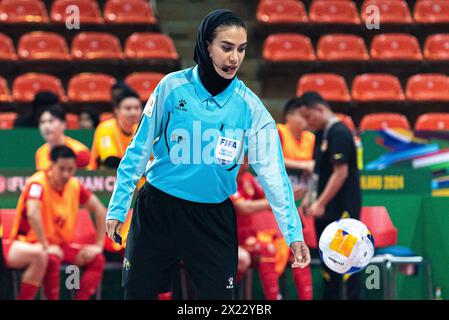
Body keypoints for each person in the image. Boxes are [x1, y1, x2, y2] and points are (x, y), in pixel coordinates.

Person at [105, 9, 310, 300]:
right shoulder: (172, 88)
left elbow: (275, 177)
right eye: (226, 48)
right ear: (206, 46)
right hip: (158, 210)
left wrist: (294, 234)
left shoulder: (250, 108)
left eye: (241, 50)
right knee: (138, 294)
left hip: (212, 218)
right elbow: (137, 151)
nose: (234, 58)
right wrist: (117, 207)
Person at [9, 146, 107, 300]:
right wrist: (46, 246)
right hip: (33, 244)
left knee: (97, 259)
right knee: (52, 260)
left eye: (71, 169)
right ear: (51, 165)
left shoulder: (75, 185)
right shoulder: (37, 183)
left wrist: (98, 245)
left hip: (62, 246)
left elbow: (100, 210)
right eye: (61, 169)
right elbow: (33, 213)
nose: (66, 174)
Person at [298, 92, 361, 300]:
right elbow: (317, 172)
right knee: (329, 267)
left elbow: (340, 172)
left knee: (347, 264)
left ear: (320, 109)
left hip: (342, 211)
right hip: (325, 213)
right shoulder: (320, 135)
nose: (307, 123)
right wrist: (308, 200)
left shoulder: (339, 133)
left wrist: (320, 203)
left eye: (309, 117)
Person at [231, 159, 304, 300]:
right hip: (229, 240)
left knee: (295, 249)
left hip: (248, 238)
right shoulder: (226, 180)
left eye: (246, 161)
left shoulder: (248, 178)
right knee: (263, 249)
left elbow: (265, 201)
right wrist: (275, 202)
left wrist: (283, 197)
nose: (245, 165)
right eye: (241, 162)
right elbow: (242, 208)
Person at [277, 97, 316, 300]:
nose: (306, 121)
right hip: (279, 207)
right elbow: (272, 160)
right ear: (290, 116)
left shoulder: (311, 138)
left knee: (302, 252)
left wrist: (309, 197)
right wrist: (304, 165)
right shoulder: (279, 132)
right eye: (302, 116)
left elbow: (315, 172)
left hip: (302, 206)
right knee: (280, 254)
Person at [89, 89, 143, 170]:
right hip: (103, 178)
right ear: (117, 111)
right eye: (128, 108)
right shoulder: (105, 128)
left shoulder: (141, 129)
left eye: (137, 108)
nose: (133, 112)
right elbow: (110, 161)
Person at [36, 105, 91, 171]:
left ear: (63, 124)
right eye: (42, 122)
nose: (46, 126)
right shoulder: (40, 152)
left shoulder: (80, 151)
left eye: (51, 121)